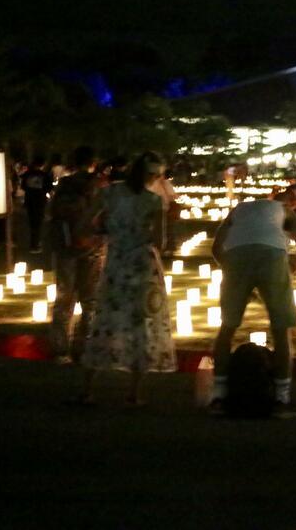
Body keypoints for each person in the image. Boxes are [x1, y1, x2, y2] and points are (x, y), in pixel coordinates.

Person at [76, 152, 177, 405]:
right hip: (142, 263)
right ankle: (134, 392)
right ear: (152, 175)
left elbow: (86, 221)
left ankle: (88, 389)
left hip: (116, 263)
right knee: (141, 322)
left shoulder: (109, 193)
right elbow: (160, 241)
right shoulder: (153, 201)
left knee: (106, 319)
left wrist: (104, 234)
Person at [209, 187, 296, 418]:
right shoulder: (284, 210)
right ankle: (281, 399)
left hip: (236, 257)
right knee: (281, 330)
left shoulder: (239, 210)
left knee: (227, 329)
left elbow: (216, 248)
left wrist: (235, 275)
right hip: (272, 256)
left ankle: (218, 397)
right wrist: (290, 269)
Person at [49, 146, 107, 364]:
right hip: (93, 245)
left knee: (64, 297)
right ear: (93, 162)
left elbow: (54, 212)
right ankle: (85, 347)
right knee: (90, 299)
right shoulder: (101, 185)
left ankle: (60, 349)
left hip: (66, 245)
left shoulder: (65, 185)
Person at [20, 157, 53, 253]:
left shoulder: (27, 174)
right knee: (38, 222)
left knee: (31, 222)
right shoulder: (44, 175)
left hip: (30, 200)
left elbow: (23, 186)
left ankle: (33, 243)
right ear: (42, 164)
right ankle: (36, 243)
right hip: (40, 200)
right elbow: (48, 187)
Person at [148, 167, 178, 255]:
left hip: (161, 208)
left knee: (162, 229)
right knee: (162, 229)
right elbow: (172, 195)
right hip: (160, 208)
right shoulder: (160, 183)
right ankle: (163, 247)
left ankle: (164, 247)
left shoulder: (158, 183)